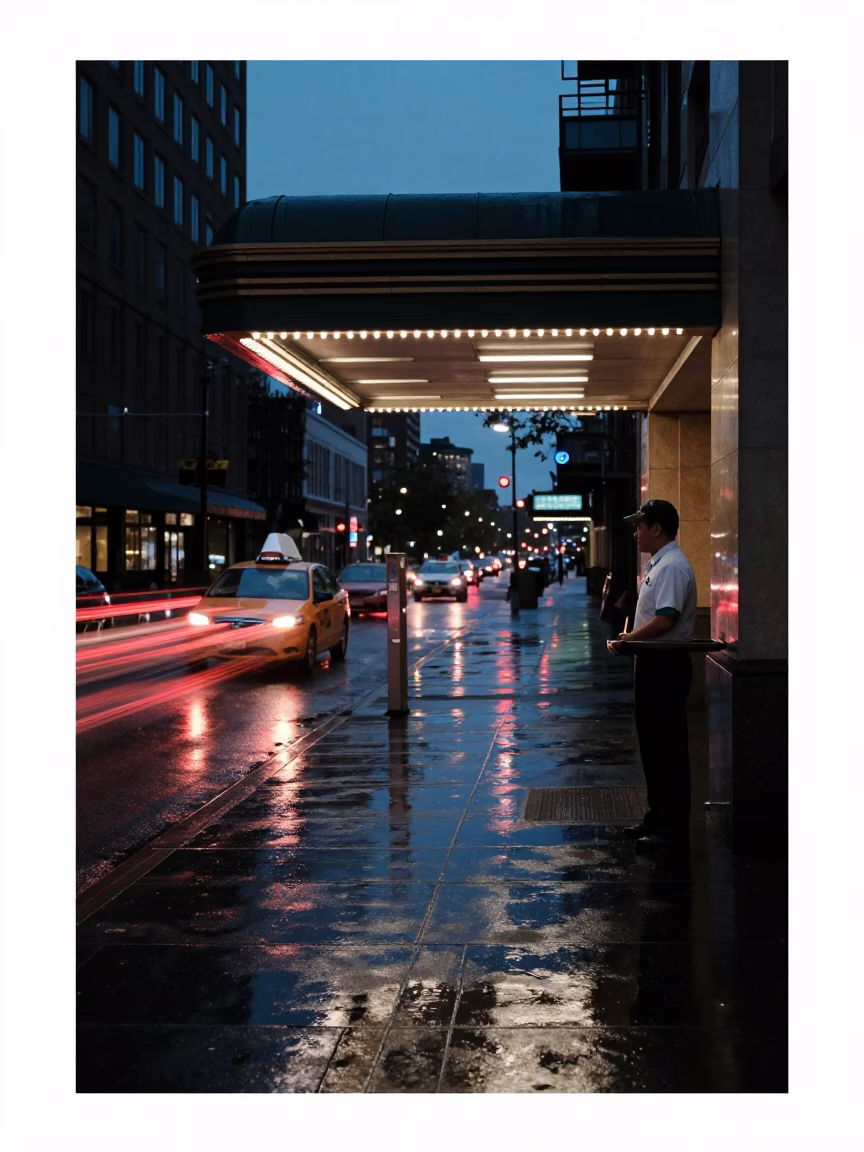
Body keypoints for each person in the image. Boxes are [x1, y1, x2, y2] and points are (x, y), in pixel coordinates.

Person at [608, 499, 696, 848]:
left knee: (667, 749)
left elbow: (666, 618)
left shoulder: (672, 566)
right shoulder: (658, 564)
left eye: (639, 526)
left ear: (656, 528)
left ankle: (671, 827)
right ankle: (658, 817)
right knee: (655, 747)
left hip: (665, 666)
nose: (635, 532)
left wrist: (628, 638)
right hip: (653, 664)